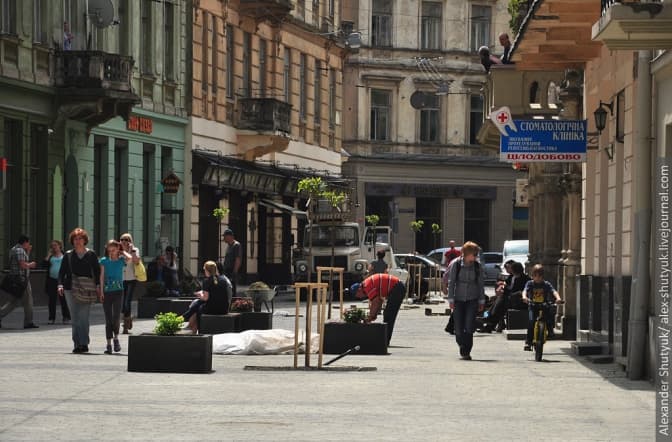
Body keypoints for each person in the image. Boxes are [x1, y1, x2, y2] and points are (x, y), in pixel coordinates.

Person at [58, 228, 102, 354]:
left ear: (84, 240)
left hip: (86, 289)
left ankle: (84, 343)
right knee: (75, 317)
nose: (77, 241)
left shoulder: (91, 254)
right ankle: (77, 344)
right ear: (72, 241)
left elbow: (97, 271)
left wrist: (98, 285)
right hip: (70, 288)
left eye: (80, 239)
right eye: (75, 239)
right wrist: (60, 285)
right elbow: (62, 271)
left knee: (83, 317)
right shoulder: (68, 255)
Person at [444, 241, 486, 360]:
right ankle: (461, 344)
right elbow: (451, 282)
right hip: (458, 299)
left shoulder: (477, 266)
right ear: (467, 254)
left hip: (472, 299)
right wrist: (451, 299)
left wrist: (481, 301)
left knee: (469, 325)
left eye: (476, 254)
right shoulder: (456, 264)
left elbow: (480, 284)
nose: (476, 256)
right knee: (458, 328)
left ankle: (466, 351)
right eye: (474, 254)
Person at [351, 273, 406, 345]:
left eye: (357, 295)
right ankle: (385, 340)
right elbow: (379, 301)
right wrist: (373, 316)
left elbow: (375, 302)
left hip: (397, 288)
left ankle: (385, 341)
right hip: (397, 287)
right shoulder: (366, 284)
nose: (359, 297)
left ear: (359, 290)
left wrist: (370, 316)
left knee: (389, 315)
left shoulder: (366, 286)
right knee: (387, 314)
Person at [182, 261, 232, 333]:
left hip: (213, 309)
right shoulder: (223, 280)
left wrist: (199, 295)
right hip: (224, 309)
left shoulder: (206, 281)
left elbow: (206, 298)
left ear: (207, 270)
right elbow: (215, 294)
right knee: (198, 303)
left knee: (199, 308)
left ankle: (198, 329)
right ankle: (187, 321)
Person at [99, 240, 131, 354]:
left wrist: (122, 251)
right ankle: (108, 344)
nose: (111, 252)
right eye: (109, 250)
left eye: (113, 250)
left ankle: (116, 339)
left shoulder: (121, 260)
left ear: (117, 249)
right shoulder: (104, 261)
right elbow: (101, 277)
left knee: (116, 317)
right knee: (108, 319)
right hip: (107, 292)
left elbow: (130, 258)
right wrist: (101, 292)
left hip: (118, 291)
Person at [522, 264, 563, 351]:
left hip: (544, 305)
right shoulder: (530, 283)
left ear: (543, 276)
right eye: (535, 275)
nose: (537, 278)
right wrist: (524, 297)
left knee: (549, 316)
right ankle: (528, 342)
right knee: (531, 322)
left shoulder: (546, 284)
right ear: (532, 276)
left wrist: (558, 298)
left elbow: (554, 291)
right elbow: (525, 291)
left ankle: (550, 331)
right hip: (533, 305)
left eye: (539, 276)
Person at [0, 235, 38, 329]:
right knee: (28, 301)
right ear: (25, 242)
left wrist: (28, 252)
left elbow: (22, 261)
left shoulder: (14, 249)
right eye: (28, 243)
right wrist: (31, 265)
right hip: (22, 280)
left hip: (17, 279)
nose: (29, 245)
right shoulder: (20, 250)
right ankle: (28, 322)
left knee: (14, 301)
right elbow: (22, 265)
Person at [482, 261, 530, 332]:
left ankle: (489, 320)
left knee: (501, 301)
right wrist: (502, 287)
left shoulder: (525, 279)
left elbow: (522, 291)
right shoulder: (512, 277)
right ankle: (489, 321)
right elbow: (506, 284)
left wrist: (507, 291)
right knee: (494, 302)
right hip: (509, 299)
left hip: (518, 301)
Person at [44, 240, 70, 325]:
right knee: (52, 300)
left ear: (60, 246)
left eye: (55, 245)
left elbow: (68, 267)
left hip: (62, 280)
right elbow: (44, 265)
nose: (54, 247)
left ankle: (66, 317)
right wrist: (48, 255)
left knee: (63, 299)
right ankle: (51, 318)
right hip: (52, 280)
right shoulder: (51, 256)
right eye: (52, 246)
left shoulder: (65, 255)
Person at [120, 233, 141, 334]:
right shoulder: (118, 250)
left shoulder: (135, 250)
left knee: (127, 301)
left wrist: (132, 251)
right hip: (120, 279)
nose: (124, 241)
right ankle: (128, 319)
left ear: (130, 241)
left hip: (131, 278)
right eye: (122, 239)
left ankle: (125, 325)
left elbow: (136, 262)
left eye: (126, 240)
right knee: (122, 302)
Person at [221, 229, 242, 297]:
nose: (224, 238)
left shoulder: (236, 245)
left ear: (229, 236)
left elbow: (237, 259)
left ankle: (232, 301)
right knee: (227, 288)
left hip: (232, 271)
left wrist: (235, 271)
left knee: (232, 289)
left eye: (225, 236)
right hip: (227, 271)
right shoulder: (229, 246)